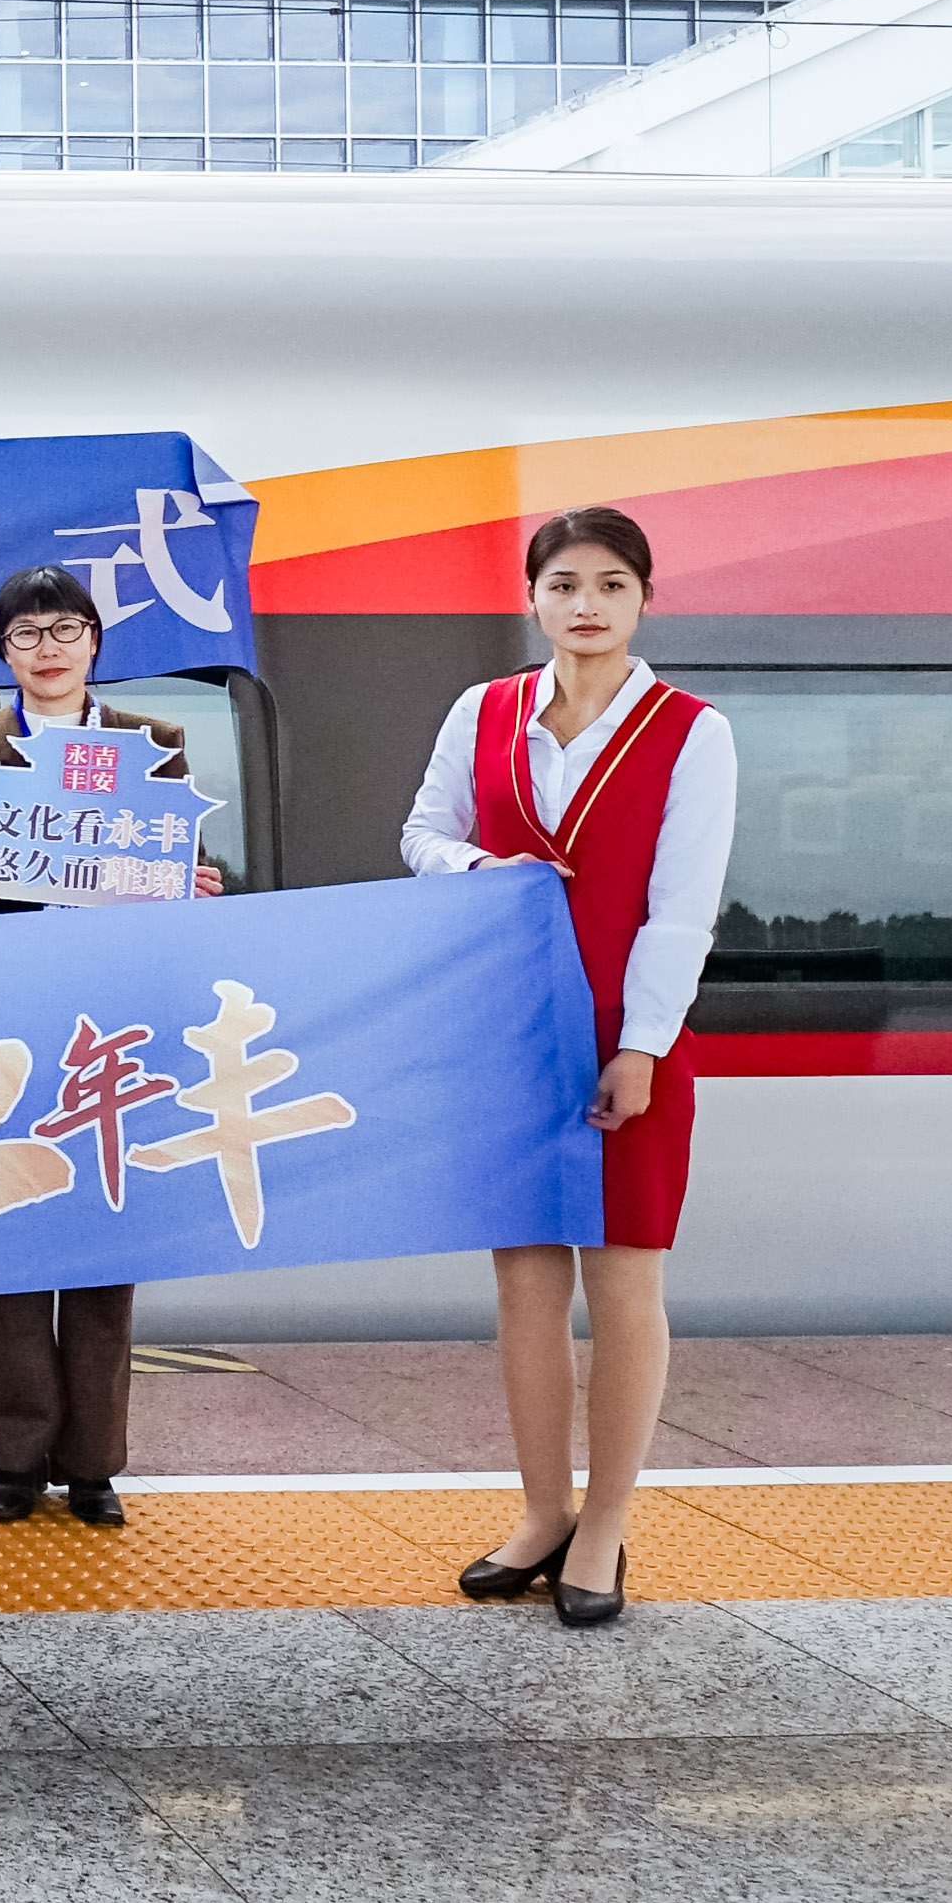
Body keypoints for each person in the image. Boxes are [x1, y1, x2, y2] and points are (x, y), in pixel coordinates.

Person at [405, 506, 735, 1629]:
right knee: (525, 1283)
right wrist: (477, 868)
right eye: (561, 584)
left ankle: (605, 1524)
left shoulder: (692, 731)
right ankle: (542, 1511)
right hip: (505, 1028)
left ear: (643, 598)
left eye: (608, 584)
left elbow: (682, 908)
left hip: (626, 1034)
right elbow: (422, 832)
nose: (584, 605)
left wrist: (640, 1046)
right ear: (533, 597)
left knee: (625, 1281)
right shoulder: (483, 710)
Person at [0, 566, 228, 1531]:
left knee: (104, 1237)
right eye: (25, 634)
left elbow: (181, 866)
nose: (46, 649)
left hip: (115, 1024)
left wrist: (197, 884)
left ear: (94, 640)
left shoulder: (153, 743)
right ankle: (14, 1456)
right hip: (10, 1026)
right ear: (1, 652)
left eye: (64, 629)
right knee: (10, 1232)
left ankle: (93, 1460)